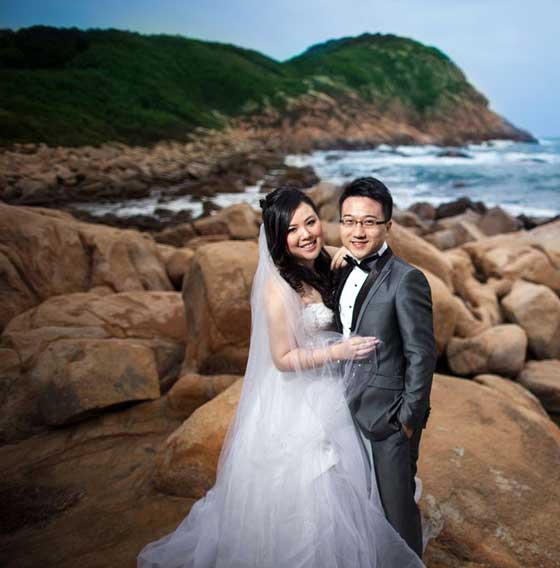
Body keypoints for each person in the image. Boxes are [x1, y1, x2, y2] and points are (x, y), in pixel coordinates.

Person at [137, 187, 424, 568]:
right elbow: (282, 358)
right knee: (314, 491)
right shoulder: (277, 286)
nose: (306, 234)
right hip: (302, 395)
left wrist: (344, 256)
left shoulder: (326, 263)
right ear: (277, 237)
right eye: (292, 230)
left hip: (340, 388)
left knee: (359, 479)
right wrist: (337, 351)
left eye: (310, 222)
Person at [333, 177, 436, 558]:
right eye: (349, 221)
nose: (358, 231)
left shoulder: (407, 279)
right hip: (342, 409)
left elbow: (422, 354)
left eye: (369, 222)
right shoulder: (341, 267)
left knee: (397, 514)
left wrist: (408, 419)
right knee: (355, 505)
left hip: (388, 417)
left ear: (388, 226)